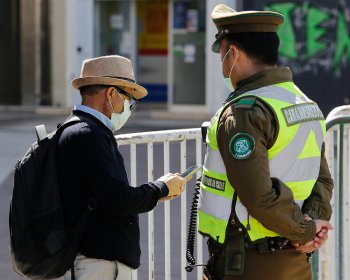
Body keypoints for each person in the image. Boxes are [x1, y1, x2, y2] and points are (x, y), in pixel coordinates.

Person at [198, 4, 334, 280]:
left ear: (232, 53)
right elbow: (321, 179)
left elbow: (258, 195)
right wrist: (312, 226)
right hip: (295, 259)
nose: (222, 63)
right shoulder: (304, 103)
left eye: (221, 53)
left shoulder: (245, 111)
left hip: (251, 261)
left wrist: (305, 231)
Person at [57, 55, 187, 280]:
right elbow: (119, 199)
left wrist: (156, 192)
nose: (129, 107)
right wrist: (160, 188)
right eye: (128, 100)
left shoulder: (79, 129)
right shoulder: (88, 134)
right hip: (98, 263)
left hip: (94, 259)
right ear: (110, 94)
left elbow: (105, 193)